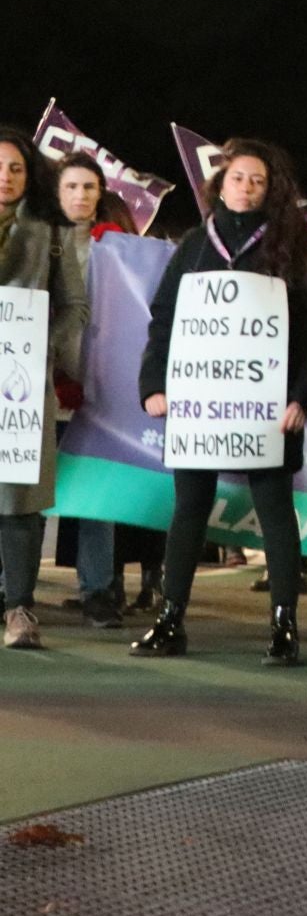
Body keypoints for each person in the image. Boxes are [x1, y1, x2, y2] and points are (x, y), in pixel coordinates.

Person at [131, 139, 307, 665]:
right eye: (238, 177)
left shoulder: (292, 246)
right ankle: (170, 620)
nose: (246, 187)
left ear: (272, 191)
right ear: (220, 183)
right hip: (200, 404)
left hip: (270, 407)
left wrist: (300, 398)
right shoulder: (196, 243)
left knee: (276, 515)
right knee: (189, 511)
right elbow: (164, 320)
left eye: (257, 180)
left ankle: (285, 628)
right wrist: (153, 384)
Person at [0, 127, 88, 649]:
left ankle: (19, 608)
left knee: (18, 500)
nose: (5, 177)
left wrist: (42, 349)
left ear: (30, 175)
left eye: (15, 168)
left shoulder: (51, 233)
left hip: (22, 387)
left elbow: (75, 305)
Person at [49, 155, 140, 628]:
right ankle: (13, 587)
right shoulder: (38, 241)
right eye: (71, 187)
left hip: (99, 390)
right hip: (41, 385)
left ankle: (98, 591)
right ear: (57, 192)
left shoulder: (121, 250)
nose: (81, 195)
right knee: (21, 494)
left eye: (89, 187)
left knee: (95, 497)